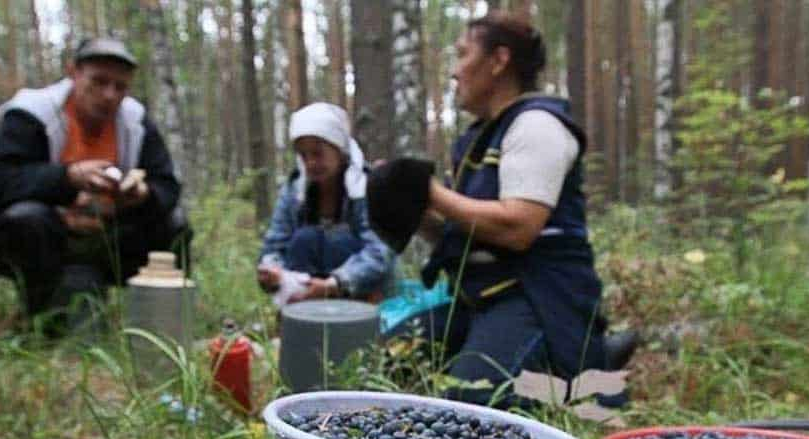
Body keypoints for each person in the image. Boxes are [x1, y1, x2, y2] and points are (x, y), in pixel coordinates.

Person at [373, 11, 614, 405]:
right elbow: (469, 232)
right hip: (477, 301)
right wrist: (411, 207)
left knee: (469, 404)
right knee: (383, 360)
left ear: (499, 61)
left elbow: (519, 228)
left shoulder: (538, 125)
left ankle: (577, 366)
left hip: (537, 300)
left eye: (462, 55)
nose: (454, 72)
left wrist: (430, 192)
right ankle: (565, 362)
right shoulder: (479, 139)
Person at [0, 38, 190, 333]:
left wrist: (142, 196)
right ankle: (38, 316)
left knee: (175, 222)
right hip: (50, 236)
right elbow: (2, 177)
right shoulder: (33, 113)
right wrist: (67, 178)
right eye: (98, 82)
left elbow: (166, 184)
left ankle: (163, 320)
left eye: (120, 86)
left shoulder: (135, 121)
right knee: (24, 219)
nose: (109, 95)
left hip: (113, 235)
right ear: (73, 72)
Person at [256, 102, 394, 306]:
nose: (310, 162)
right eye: (304, 155)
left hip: (360, 294)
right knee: (305, 239)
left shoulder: (366, 187)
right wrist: (272, 272)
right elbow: (274, 246)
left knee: (336, 239)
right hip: (306, 293)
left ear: (338, 149)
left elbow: (379, 253)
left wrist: (334, 284)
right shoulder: (295, 191)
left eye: (318, 153)